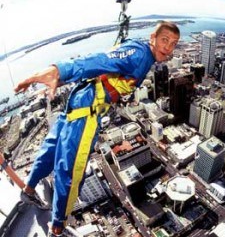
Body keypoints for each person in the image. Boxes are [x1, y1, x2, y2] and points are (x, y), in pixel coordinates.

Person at [15, 21, 180, 236]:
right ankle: (57, 227)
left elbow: (107, 65)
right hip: (87, 113)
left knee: (51, 148)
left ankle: (29, 188)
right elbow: (99, 61)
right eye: (164, 40)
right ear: (153, 37)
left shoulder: (137, 49)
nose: (168, 47)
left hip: (77, 104)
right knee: (71, 172)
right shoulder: (140, 55)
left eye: (174, 44)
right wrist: (59, 71)